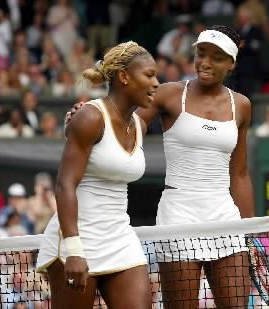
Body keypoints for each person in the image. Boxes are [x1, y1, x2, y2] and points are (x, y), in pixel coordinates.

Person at [68, 25, 255, 308]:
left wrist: (250, 231)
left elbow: (239, 174)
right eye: (201, 54)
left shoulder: (241, 105)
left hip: (225, 217)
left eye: (216, 57)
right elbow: (126, 123)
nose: (205, 62)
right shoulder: (168, 94)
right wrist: (90, 115)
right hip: (178, 215)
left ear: (231, 64)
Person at [36, 41, 159, 308]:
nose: (156, 82)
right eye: (149, 75)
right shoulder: (90, 117)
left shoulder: (140, 125)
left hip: (119, 237)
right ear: (124, 77)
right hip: (78, 239)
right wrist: (74, 251)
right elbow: (65, 185)